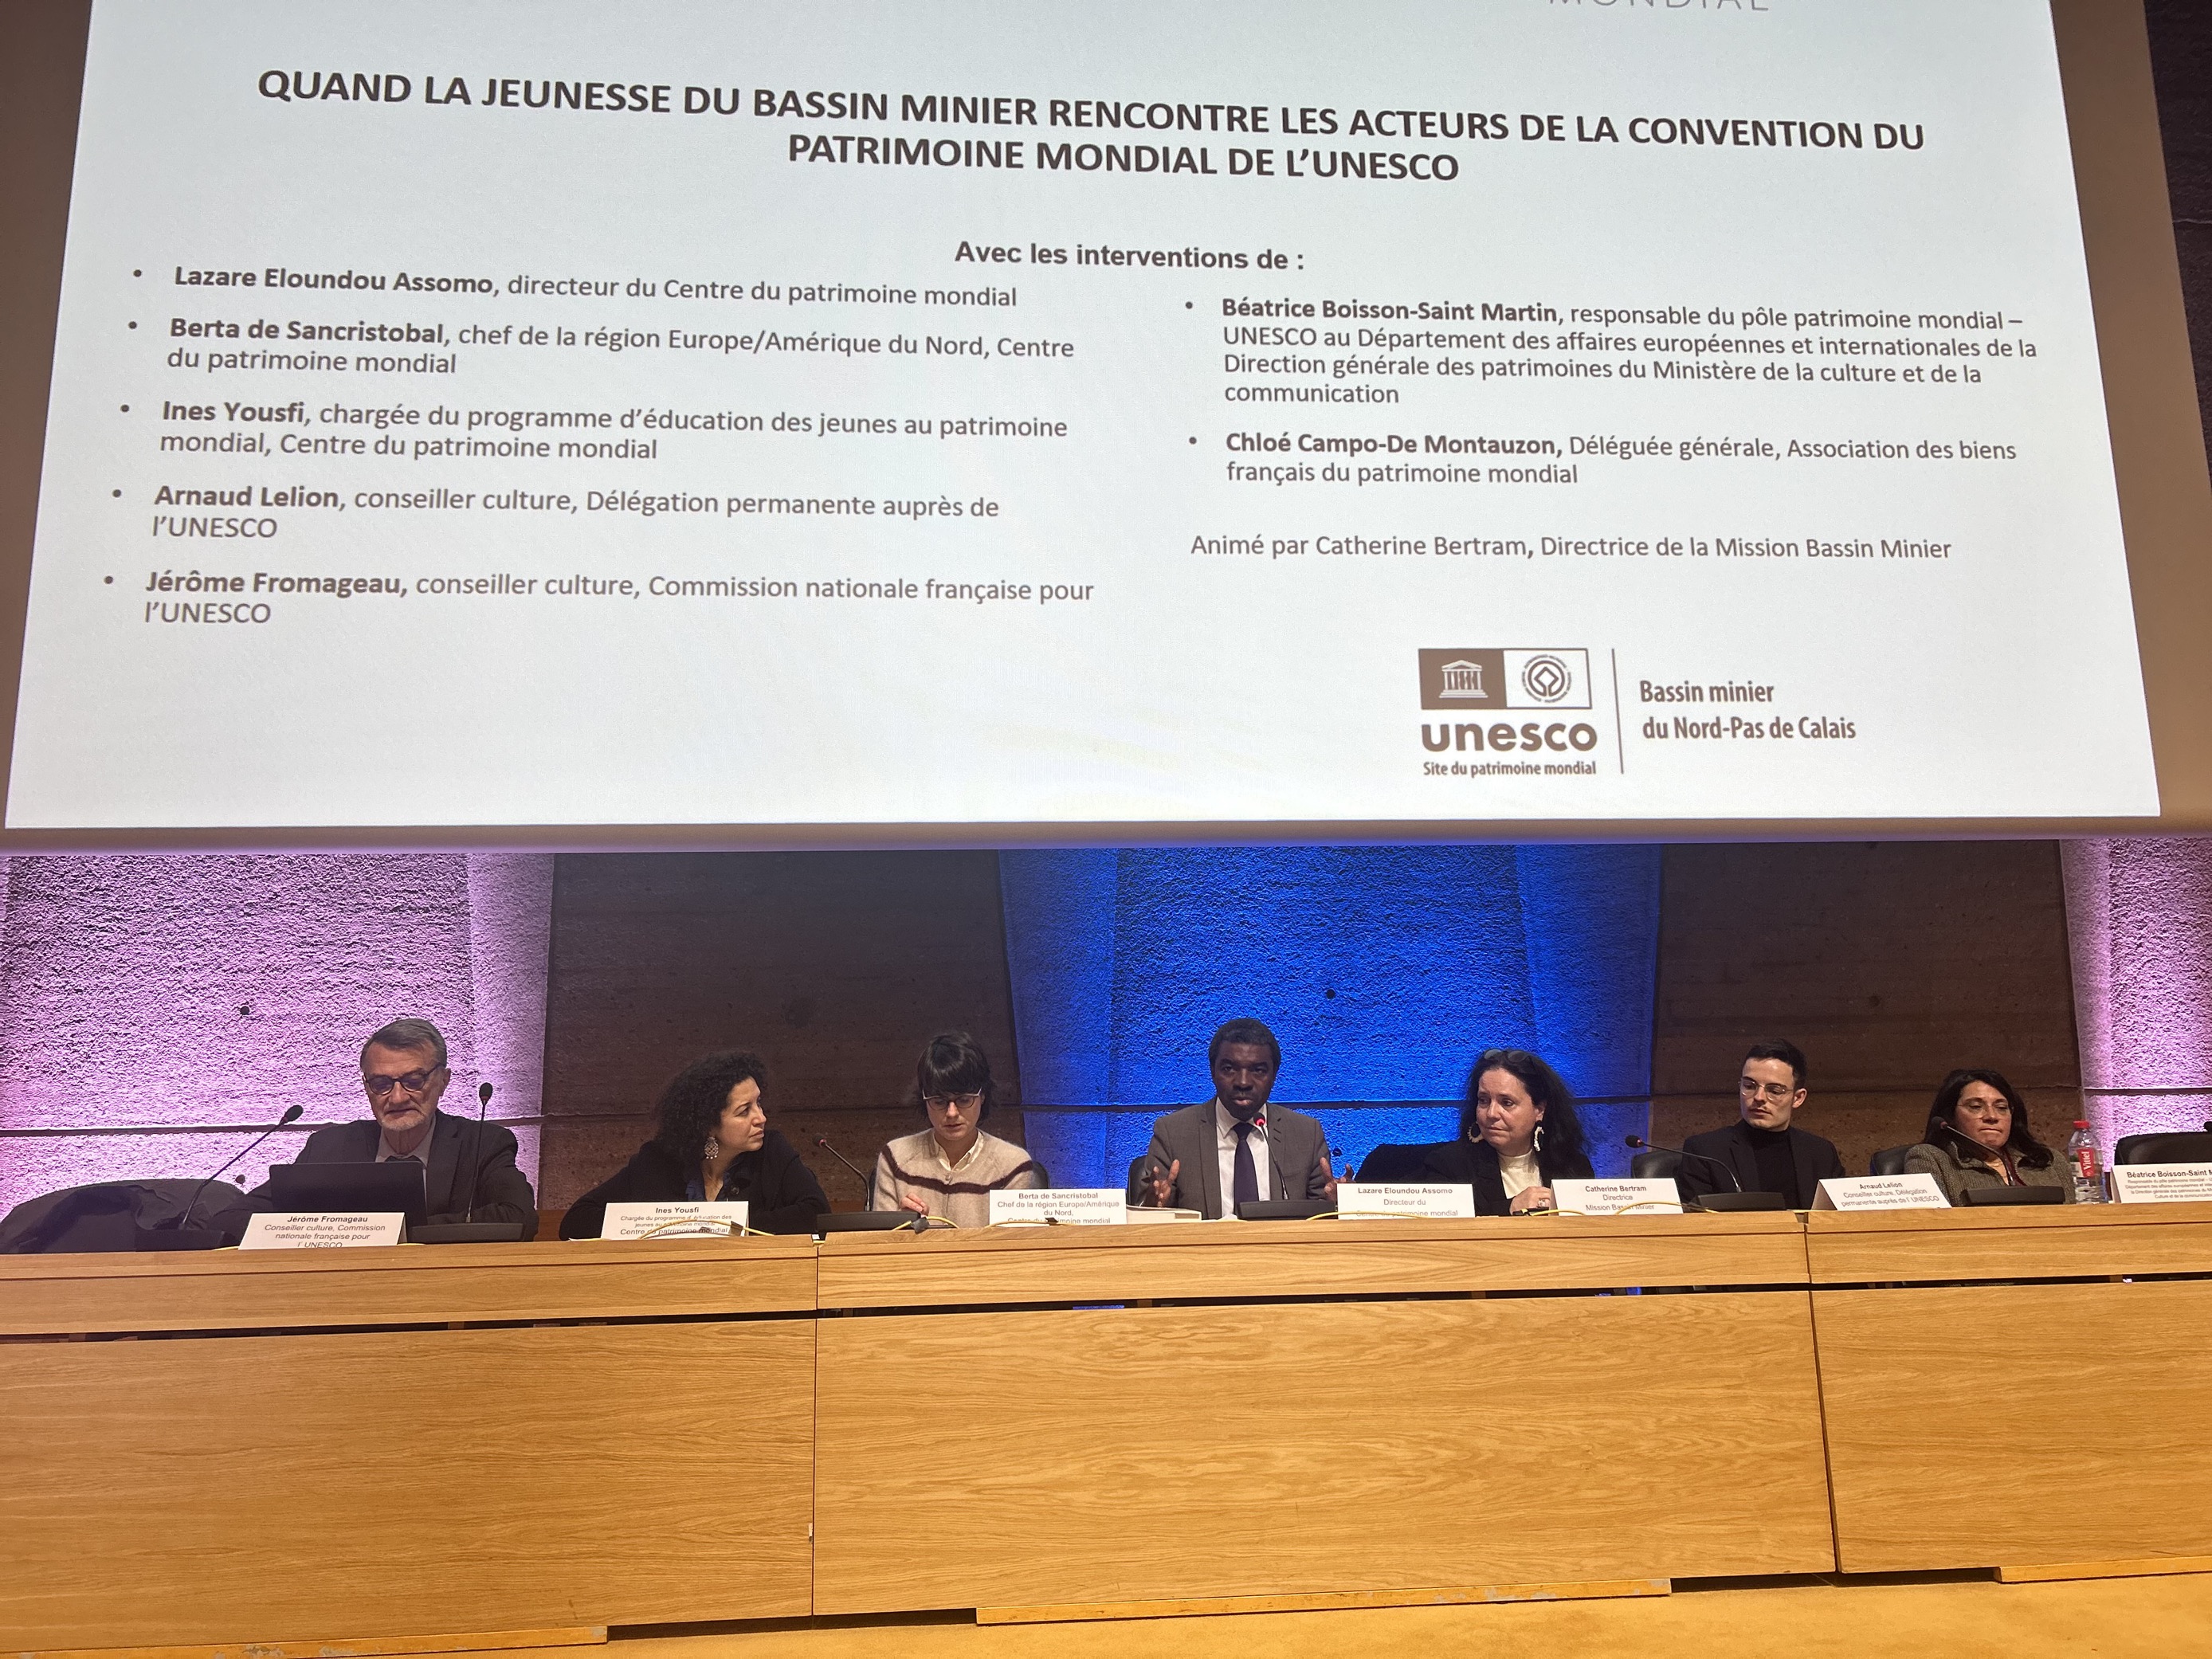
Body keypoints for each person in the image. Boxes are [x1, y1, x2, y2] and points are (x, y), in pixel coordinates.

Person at [273, 1017, 538, 1237]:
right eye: (381, 1084)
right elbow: (255, 1213)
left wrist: (391, 1232)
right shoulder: (328, 1147)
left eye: (413, 1081)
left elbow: (519, 1217)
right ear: (367, 1088)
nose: (397, 1098)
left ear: (443, 1081)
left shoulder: (483, 1143)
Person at [560, 1049, 828, 1237]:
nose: (761, 1118)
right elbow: (577, 1220)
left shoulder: (772, 1152)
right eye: (744, 1111)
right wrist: (655, 1225)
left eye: (759, 1103)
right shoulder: (657, 1161)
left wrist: (725, 1227)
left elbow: (817, 1214)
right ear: (708, 1124)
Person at [1128, 1018, 1332, 1218]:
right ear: (1213, 1071)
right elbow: (1152, 1212)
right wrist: (1153, 1207)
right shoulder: (1173, 1133)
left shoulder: (1306, 1134)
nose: (1243, 1082)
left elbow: (1325, 1219)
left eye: (1258, 1070)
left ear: (1274, 1075)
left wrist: (1342, 1202)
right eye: (1229, 1069)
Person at [870, 1031, 1047, 1226]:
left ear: (982, 1096)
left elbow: (1012, 1243)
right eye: (939, 1101)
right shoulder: (896, 1158)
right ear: (924, 1100)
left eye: (963, 1100)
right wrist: (899, 1227)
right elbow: (879, 1241)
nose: (952, 1113)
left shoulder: (1012, 1166)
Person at [1407, 1048, 1594, 1214]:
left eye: (1507, 1103)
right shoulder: (1449, 1165)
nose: (1491, 1113)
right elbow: (1448, 1229)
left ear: (1539, 1110)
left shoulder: (1573, 1165)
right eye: (1484, 1100)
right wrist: (1510, 1208)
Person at [1677, 1039, 1845, 1209]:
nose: (1759, 1097)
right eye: (1749, 1086)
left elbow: (1841, 1217)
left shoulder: (1821, 1153)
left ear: (1798, 1098)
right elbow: (1697, 1221)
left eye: (1774, 1091)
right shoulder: (1705, 1151)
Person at [1903, 1069, 2071, 1203]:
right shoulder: (1931, 1159)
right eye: (1976, 1107)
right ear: (1950, 1116)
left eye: (2001, 1108)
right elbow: (1932, 1225)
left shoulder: (2050, 1161)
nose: (1991, 1116)